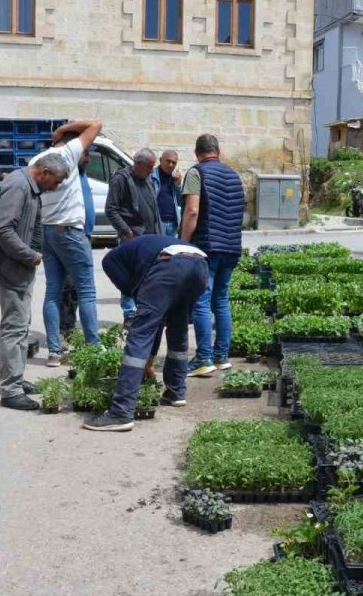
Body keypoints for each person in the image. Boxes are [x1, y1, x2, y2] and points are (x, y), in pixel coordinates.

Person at [0, 153, 72, 410]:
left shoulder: (29, 186)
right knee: (14, 327)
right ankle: (11, 390)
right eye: (56, 181)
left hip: (19, 266)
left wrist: (35, 254)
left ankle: (16, 377)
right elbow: (2, 229)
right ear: (45, 172)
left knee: (20, 325)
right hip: (11, 268)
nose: (56, 187)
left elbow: (30, 226)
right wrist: (30, 255)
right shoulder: (18, 186)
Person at [84, 234, 208, 432]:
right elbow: (157, 321)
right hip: (199, 265)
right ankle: (176, 392)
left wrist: (138, 300)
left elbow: (141, 304)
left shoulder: (112, 261)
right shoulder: (142, 251)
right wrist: (149, 360)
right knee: (178, 327)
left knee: (139, 334)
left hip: (170, 265)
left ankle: (121, 412)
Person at [36, 120, 104, 367]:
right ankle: (93, 349)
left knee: (52, 290)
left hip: (47, 231)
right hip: (71, 231)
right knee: (86, 292)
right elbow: (95, 124)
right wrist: (64, 130)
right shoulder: (69, 151)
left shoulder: (38, 160)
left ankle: (55, 351)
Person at [179, 134, 245, 377]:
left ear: (197, 153)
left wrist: (183, 244)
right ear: (218, 151)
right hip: (231, 246)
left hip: (206, 246)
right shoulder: (233, 175)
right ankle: (221, 356)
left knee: (201, 300)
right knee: (221, 300)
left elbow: (192, 212)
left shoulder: (196, 173)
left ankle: (204, 358)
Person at [105, 148, 164, 322]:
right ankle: (129, 314)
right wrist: (126, 231)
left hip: (151, 236)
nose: (151, 171)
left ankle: (145, 311)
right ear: (137, 164)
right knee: (130, 276)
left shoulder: (147, 179)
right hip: (132, 237)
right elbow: (111, 209)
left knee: (148, 277)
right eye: (149, 167)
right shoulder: (121, 179)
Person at [151, 150, 183, 237]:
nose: (171, 165)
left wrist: (178, 185)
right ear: (161, 160)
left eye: (174, 163)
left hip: (172, 224)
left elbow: (181, 202)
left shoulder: (174, 178)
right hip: (157, 223)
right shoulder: (151, 176)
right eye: (168, 161)